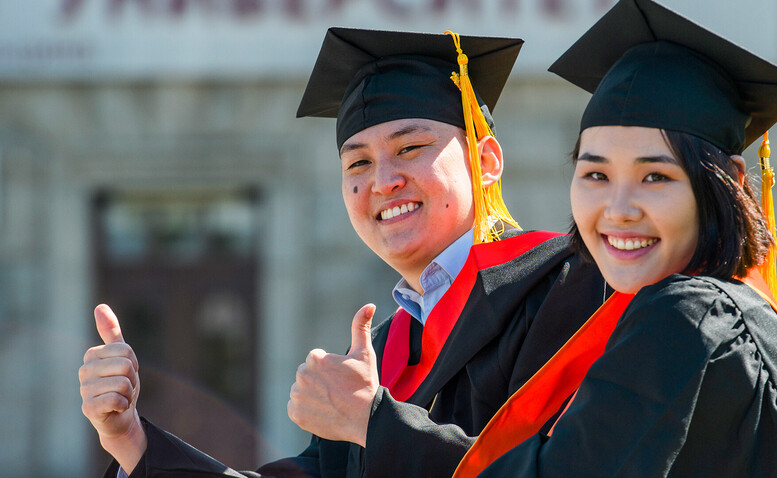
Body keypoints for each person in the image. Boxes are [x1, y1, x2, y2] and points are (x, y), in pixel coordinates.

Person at [79, 28, 606, 478]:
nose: (383, 181)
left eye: (410, 148)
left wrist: (372, 423)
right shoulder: (386, 347)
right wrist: (131, 441)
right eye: (357, 164)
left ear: (486, 160)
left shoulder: (568, 288)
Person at [452, 0, 777, 476]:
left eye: (655, 177)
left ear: (731, 182)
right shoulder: (730, 315)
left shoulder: (689, 316)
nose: (618, 210)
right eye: (595, 174)